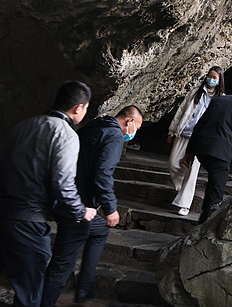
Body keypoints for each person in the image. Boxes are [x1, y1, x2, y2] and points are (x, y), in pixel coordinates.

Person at [0, 81, 97, 307]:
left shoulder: (22, 126)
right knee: (30, 294)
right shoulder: (66, 135)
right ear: (78, 108)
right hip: (28, 221)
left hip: (4, 213)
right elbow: (63, 182)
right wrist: (80, 210)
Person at [41, 106, 144, 307]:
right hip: (80, 209)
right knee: (62, 265)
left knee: (100, 230)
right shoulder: (114, 135)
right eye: (137, 128)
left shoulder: (93, 127)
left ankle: (85, 285)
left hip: (66, 198)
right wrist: (111, 207)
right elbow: (103, 174)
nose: (133, 134)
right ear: (130, 122)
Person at [184, 94, 232, 223]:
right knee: (216, 193)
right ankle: (205, 226)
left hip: (202, 148)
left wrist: (189, 151)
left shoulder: (218, 99)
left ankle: (203, 220)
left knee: (212, 185)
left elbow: (199, 124)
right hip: (221, 151)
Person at [167, 66, 224, 216]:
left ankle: (184, 204)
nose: (211, 80)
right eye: (210, 76)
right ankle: (179, 186)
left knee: (192, 171)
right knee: (173, 163)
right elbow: (180, 112)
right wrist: (172, 130)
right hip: (184, 133)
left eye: (215, 78)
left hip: (201, 139)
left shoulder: (220, 99)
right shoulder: (194, 93)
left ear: (220, 81)